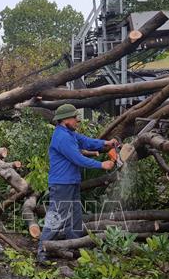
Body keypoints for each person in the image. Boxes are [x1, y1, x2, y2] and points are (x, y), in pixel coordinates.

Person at [37, 104, 117, 263]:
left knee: (75, 218)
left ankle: (73, 247)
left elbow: (86, 141)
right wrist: (101, 165)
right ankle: (42, 251)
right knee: (57, 217)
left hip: (72, 182)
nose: (77, 121)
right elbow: (77, 158)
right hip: (61, 184)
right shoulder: (62, 137)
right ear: (65, 119)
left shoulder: (70, 133)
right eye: (75, 118)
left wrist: (105, 144)